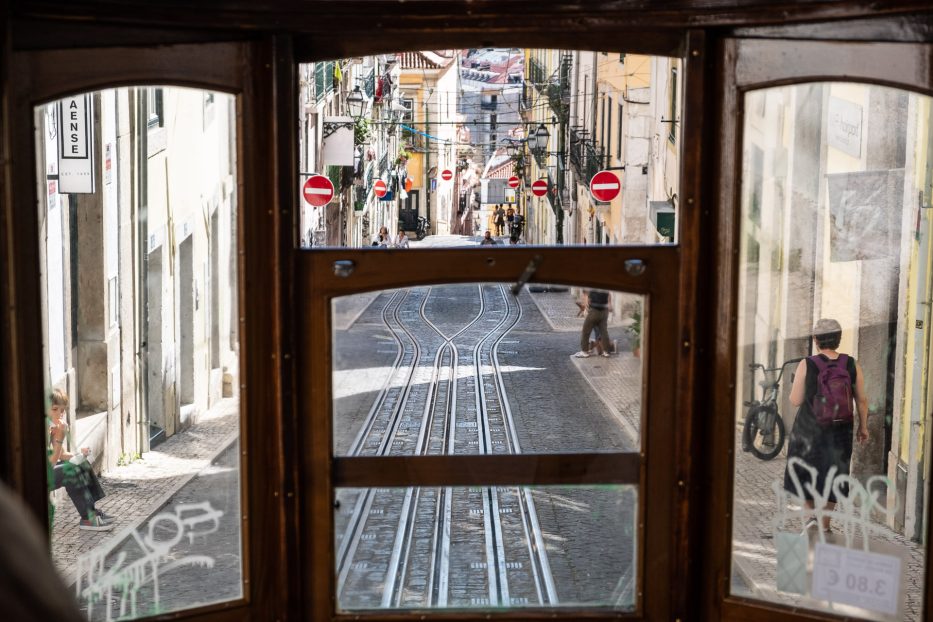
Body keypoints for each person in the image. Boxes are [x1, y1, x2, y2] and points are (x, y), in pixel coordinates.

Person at [783, 318, 869, 534]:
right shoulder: (851, 363)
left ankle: (810, 518)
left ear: (816, 339)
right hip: (841, 429)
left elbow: (795, 400)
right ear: (839, 339)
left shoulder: (807, 363)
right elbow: (862, 400)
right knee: (836, 473)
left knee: (805, 470)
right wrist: (863, 427)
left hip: (809, 429)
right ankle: (825, 525)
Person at [47, 389, 113, 531]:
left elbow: (62, 455)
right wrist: (59, 439)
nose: (59, 413)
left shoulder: (52, 426)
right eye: (54, 409)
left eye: (62, 410)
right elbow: (50, 464)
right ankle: (88, 519)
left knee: (80, 463)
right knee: (70, 471)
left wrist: (80, 455)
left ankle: (91, 511)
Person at [574, 290, 612, 358]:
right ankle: (606, 352)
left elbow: (586, 294)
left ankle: (584, 351)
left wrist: (587, 307)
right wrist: (609, 304)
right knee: (604, 331)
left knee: (586, 331)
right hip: (605, 310)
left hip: (594, 310)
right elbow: (609, 294)